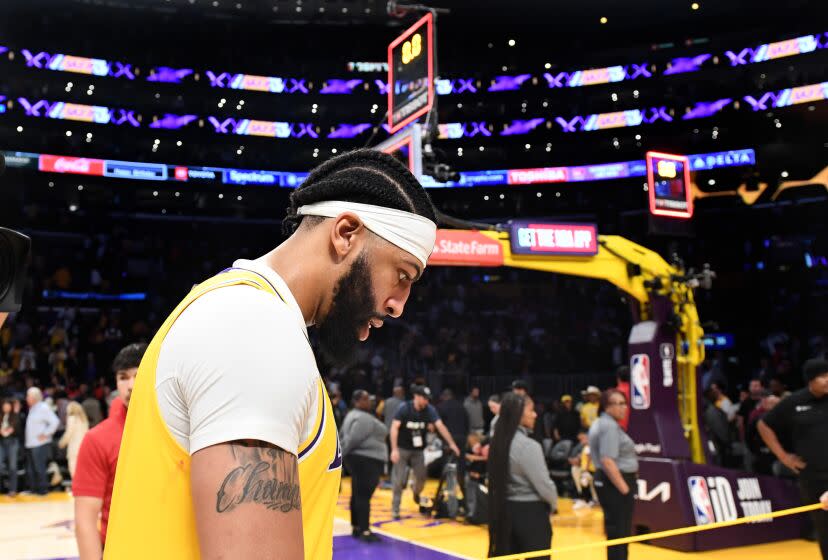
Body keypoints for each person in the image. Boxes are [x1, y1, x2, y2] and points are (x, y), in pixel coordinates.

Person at [106, 150, 439, 559]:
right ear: (346, 233)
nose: (398, 305)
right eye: (402, 275)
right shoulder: (254, 329)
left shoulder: (236, 310)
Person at [72, 343, 145, 559]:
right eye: (123, 377)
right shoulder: (97, 439)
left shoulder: (181, 431)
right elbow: (85, 521)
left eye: (139, 375)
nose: (131, 385)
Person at [758, 358, 828, 559]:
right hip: (812, 477)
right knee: (824, 530)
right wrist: (784, 457)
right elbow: (764, 425)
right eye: (823, 376)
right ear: (810, 380)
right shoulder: (794, 402)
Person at [487, 392, 557, 559]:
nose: (535, 414)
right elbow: (544, 485)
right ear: (519, 414)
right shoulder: (529, 446)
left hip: (504, 510)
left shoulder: (497, 442)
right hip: (530, 513)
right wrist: (553, 504)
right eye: (531, 410)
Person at [390, 385, 461, 519]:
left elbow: (441, 426)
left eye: (428, 399)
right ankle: (395, 509)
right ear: (416, 397)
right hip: (402, 449)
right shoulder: (404, 408)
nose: (426, 401)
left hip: (418, 451)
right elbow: (394, 428)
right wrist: (394, 449)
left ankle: (416, 492)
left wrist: (452, 444)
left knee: (422, 478)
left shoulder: (429, 410)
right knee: (398, 480)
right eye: (424, 398)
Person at [590, 389, 638, 560]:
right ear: (606, 406)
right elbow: (608, 460)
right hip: (616, 483)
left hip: (610, 482)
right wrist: (625, 490)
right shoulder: (609, 425)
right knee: (620, 532)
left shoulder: (603, 423)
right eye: (618, 404)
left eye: (624, 403)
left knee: (616, 532)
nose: (623, 408)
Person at [340, 390, 388, 543]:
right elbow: (353, 439)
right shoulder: (362, 418)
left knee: (357, 494)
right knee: (363, 496)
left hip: (359, 459)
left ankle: (356, 526)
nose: (370, 401)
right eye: (366, 399)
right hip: (366, 460)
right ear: (357, 401)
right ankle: (365, 531)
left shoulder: (351, 415)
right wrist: (341, 456)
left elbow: (344, 437)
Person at [24, 387, 60, 495]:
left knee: (39, 467)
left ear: (34, 397)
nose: (26, 398)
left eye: (28, 396)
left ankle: (42, 490)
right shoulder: (32, 408)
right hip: (30, 443)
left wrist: (46, 434)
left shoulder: (43, 407)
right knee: (31, 469)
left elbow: (55, 422)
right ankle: (34, 489)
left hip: (39, 444)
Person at [58, 401, 89, 478]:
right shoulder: (83, 419)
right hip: (84, 448)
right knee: (83, 471)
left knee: (74, 471)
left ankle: (77, 489)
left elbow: (69, 433)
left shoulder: (71, 418)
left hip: (74, 448)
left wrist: (62, 443)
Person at [0, 398, 23, 496]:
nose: (6, 407)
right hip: (1, 442)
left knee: (13, 467)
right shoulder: (1, 416)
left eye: (8, 405)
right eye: (4, 405)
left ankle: (12, 489)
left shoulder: (15, 416)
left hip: (12, 442)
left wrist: (11, 430)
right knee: (0, 465)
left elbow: (19, 430)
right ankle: (3, 485)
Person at [615, 366, 631, 431]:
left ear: (618, 378)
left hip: (619, 428)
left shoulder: (614, 393)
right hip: (637, 428)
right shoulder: (636, 392)